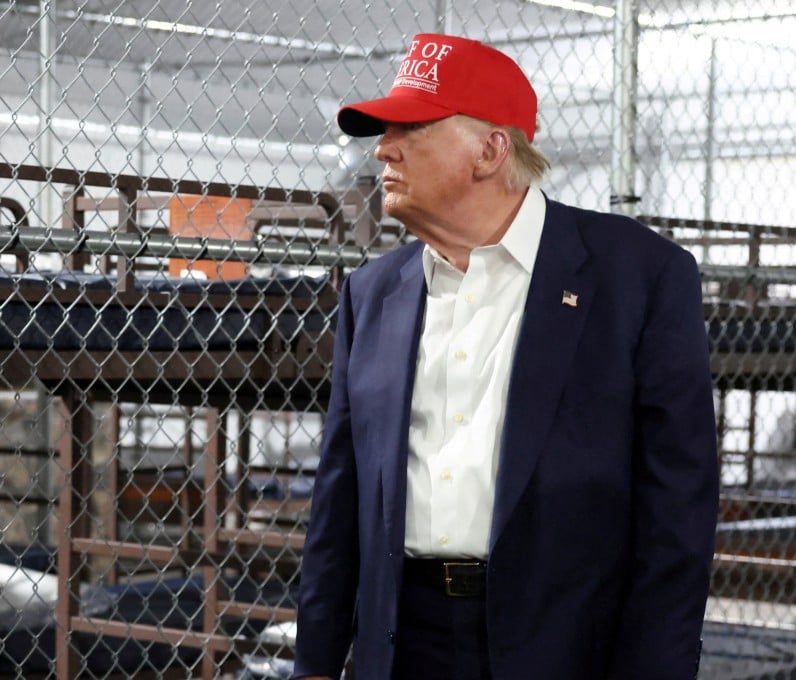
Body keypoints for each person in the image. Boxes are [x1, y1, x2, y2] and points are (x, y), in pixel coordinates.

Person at [292, 34, 719, 680]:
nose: (383, 148)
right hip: (404, 644)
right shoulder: (372, 295)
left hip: (566, 642)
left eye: (412, 128)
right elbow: (340, 499)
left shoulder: (640, 276)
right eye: (384, 131)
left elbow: (677, 516)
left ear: (491, 150)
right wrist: (316, 665)